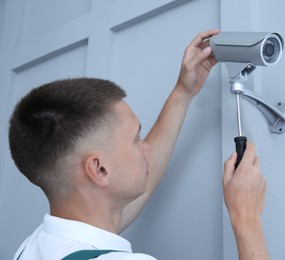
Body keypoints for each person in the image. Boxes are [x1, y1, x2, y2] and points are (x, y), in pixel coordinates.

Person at [9, 30, 268, 260]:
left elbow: (138, 177)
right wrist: (246, 218)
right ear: (99, 169)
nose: (146, 148)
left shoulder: (36, 245)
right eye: (136, 139)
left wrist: (183, 91)